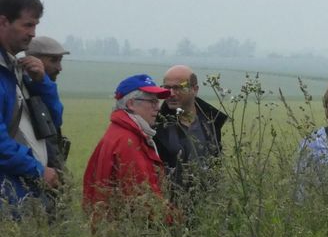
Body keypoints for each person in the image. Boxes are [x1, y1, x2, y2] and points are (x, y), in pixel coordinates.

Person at [0, 0, 62, 214]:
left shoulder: (16, 67)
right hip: (9, 193)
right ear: (4, 22)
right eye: (28, 24)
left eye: (35, 25)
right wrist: (37, 169)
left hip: (22, 193)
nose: (33, 33)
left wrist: (43, 83)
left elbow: (53, 123)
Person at [82, 74, 174, 224]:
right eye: (152, 101)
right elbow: (143, 197)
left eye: (157, 101)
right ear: (131, 104)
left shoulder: (118, 133)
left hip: (114, 231)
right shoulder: (128, 141)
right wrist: (174, 221)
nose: (158, 107)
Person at [153, 64, 227, 200]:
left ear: (195, 89)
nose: (171, 94)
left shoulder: (212, 122)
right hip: (170, 208)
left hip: (208, 206)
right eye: (167, 88)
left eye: (178, 87)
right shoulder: (154, 126)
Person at [25, 35, 71, 168]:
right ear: (33, 60)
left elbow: (55, 120)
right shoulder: (20, 87)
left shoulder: (42, 86)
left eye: (60, 61)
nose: (59, 67)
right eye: (54, 60)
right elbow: (55, 117)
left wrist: (43, 82)